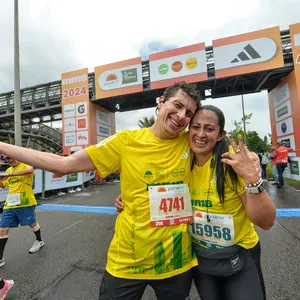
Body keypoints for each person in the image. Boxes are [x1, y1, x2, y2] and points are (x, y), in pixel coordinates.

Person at [0, 82, 201, 300]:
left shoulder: (193, 142)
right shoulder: (126, 141)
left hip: (175, 264)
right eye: (177, 105)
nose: (181, 116)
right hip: (127, 261)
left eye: (188, 113)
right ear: (160, 102)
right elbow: (62, 164)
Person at [188, 105, 275, 300]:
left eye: (209, 129)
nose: (200, 134)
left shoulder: (233, 163)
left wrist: (252, 180)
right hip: (201, 256)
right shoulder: (181, 161)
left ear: (220, 135)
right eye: (195, 127)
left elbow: (266, 221)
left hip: (240, 253)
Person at [0, 156, 44, 267]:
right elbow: (4, 184)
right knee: (2, 229)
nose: (10, 160)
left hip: (26, 202)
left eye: (11, 158)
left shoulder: (26, 165)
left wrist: (9, 175)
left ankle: (39, 240)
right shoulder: (8, 170)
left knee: (31, 223)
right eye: (7, 159)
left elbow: (30, 170)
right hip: (10, 204)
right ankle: (0, 258)